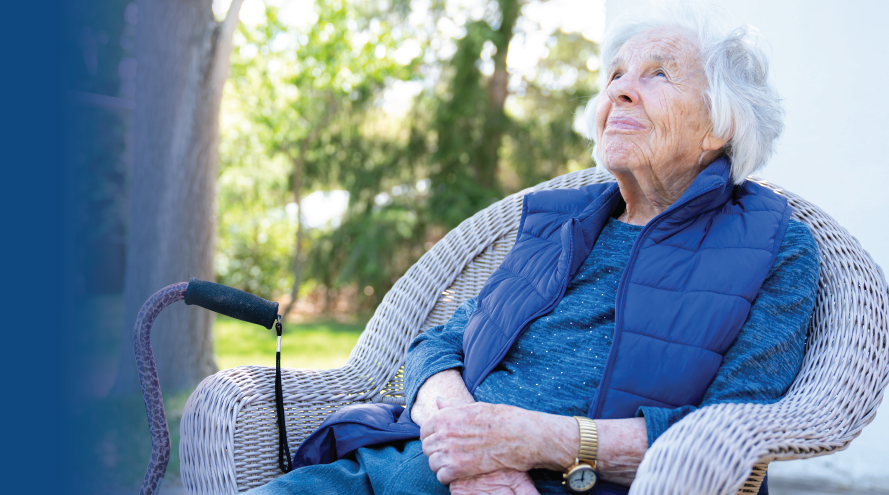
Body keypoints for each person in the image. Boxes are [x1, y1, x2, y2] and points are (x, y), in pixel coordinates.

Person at [243, 3, 817, 495]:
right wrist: (470, 445)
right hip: (405, 466)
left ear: (719, 125)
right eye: (615, 75)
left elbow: (733, 435)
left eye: (658, 74)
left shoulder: (773, 246)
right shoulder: (562, 223)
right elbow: (440, 342)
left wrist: (536, 443)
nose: (618, 89)